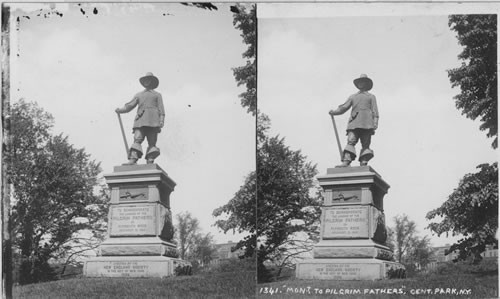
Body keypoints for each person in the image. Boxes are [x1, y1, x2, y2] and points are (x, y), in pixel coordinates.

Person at [329, 74, 379, 167]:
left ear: (366, 84)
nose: (361, 83)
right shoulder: (353, 96)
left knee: (365, 143)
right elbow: (344, 107)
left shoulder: (371, 96)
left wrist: (375, 123)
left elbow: (375, 111)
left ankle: (364, 161)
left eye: (363, 81)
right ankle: (346, 161)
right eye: (359, 82)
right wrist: (334, 112)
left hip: (367, 123)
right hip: (354, 122)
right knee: (351, 140)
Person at [116, 72, 165, 165]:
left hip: (153, 121)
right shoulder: (139, 95)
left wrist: (161, 120)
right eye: (145, 80)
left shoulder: (157, 95)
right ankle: (133, 159)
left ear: (152, 82)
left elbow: (161, 110)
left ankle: (150, 159)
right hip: (140, 120)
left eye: (148, 79)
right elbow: (130, 106)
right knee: (137, 139)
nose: (147, 81)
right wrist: (120, 110)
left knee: (152, 141)